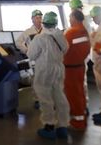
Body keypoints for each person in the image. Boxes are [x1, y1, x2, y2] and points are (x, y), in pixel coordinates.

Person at [27, 12, 70, 140]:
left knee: (45, 97)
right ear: (56, 23)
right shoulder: (60, 35)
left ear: (43, 23)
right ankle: (63, 126)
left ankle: (49, 126)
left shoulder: (39, 38)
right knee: (59, 95)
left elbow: (31, 55)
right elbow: (66, 49)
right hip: (59, 68)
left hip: (45, 69)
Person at [63, 10, 91, 130]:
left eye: (70, 17)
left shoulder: (71, 32)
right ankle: (82, 113)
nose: (69, 19)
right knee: (80, 92)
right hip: (80, 66)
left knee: (73, 94)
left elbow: (62, 49)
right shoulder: (84, 31)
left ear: (74, 18)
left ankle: (78, 120)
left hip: (70, 69)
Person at [15, 9, 43, 108]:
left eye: (40, 17)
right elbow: (18, 43)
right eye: (37, 18)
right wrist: (26, 50)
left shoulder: (46, 30)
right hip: (34, 60)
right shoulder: (28, 32)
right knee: (35, 81)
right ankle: (37, 100)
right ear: (32, 19)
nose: (39, 19)